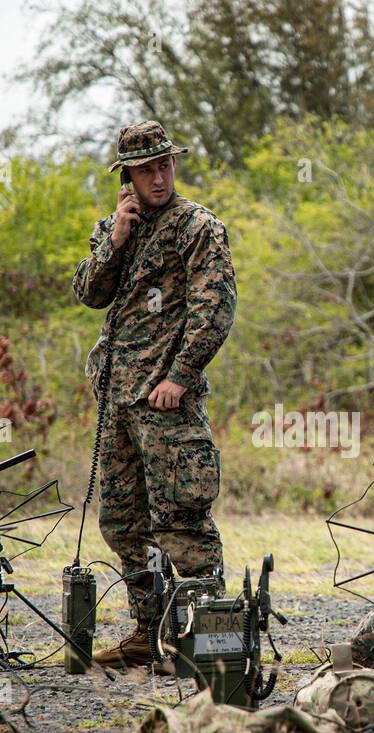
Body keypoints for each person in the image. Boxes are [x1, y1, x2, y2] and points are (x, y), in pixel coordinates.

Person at [71, 120, 236, 669]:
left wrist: (181, 375)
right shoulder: (115, 227)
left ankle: (209, 642)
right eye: (147, 169)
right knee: (122, 521)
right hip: (118, 401)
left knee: (182, 516)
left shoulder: (198, 227)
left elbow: (213, 308)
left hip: (167, 401)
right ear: (127, 178)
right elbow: (89, 293)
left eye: (166, 165)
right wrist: (115, 240)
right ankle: (149, 631)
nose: (160, 177)